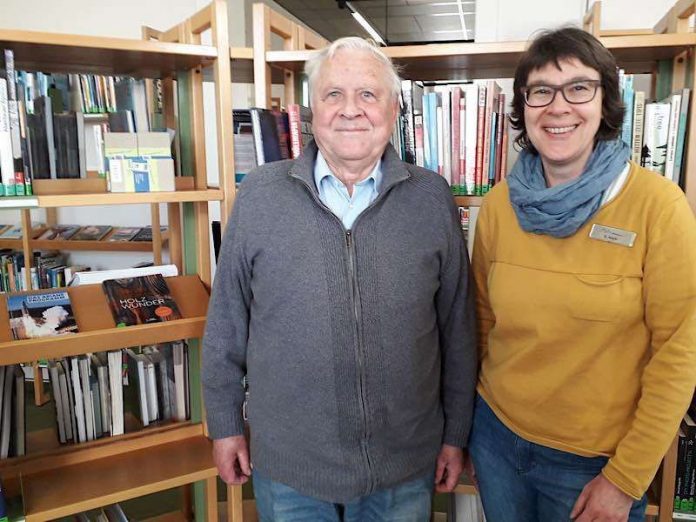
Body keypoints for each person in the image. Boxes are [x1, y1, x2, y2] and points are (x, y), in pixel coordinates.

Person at [202, 37, 477, 521]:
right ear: (312, 109)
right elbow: (226, 323)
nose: (351, 110)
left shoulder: (432, 199)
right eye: (334, 94)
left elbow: (458, 330)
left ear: (393, 109)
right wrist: (224, 425)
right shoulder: (260, 197)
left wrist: (455, 434)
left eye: (368, 94)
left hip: (404, 467)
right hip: (290, 470)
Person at [469, 26, 696, 522]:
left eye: (578, 87)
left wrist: (626, 478)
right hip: (495, 441)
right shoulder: (499, 206)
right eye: (541, 91)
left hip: (596, 465)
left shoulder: (659, 207)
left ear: (606, 101)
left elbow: (679, 354)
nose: (558, 106)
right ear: (523, 106)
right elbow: (483, 324)